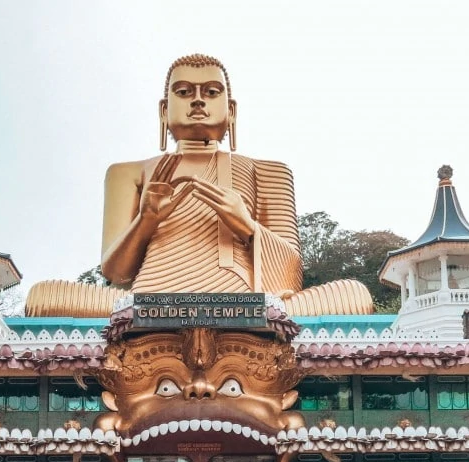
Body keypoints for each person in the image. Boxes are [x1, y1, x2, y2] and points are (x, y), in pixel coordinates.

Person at [25, 54, 373, 317]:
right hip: (147, 303)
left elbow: (291, 277)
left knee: (354, 295)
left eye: (211, 91)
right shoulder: (127, 172)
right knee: (43, 297)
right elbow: (116, 272)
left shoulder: (267, 171)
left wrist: (248, 227)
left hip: (244, 304)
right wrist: (146, 221)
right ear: (164, 111)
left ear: (231, 110)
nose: (197, 101)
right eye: (183, 91)